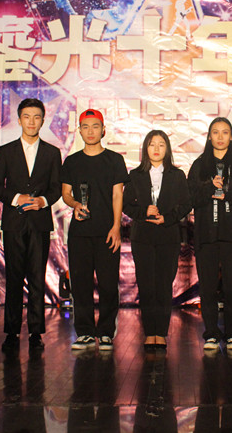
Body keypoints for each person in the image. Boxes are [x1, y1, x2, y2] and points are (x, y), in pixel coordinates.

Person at [0, 98, 62, 353]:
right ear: (19, 120)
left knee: (37, 279)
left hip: (39, 223)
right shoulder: (6, 151)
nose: (31, 122)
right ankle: (11, 332)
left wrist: (42, 201)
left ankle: (35, 332)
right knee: (14, 278)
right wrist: (16, 198)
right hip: (14, 223)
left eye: (36, 117)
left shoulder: (52, 153)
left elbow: (56, 189)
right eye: (27, 117)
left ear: (43, 121)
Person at [188, 117, 232, 352]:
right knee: (207, 288)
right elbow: (189, 197)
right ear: (209, 137)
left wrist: (229, 193)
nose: (220, 137)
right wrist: (209, 188)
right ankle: (210, 333)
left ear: (231, 137)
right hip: (206, 235)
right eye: (215, 132)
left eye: (225, 132)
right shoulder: (199, 165)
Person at [61, 109, 128, 352]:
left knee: (109, 284)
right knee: (80, 285)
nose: (90, 131)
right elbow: (66, 193)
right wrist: (75, 204)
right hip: (79, 233)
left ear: (103, 130)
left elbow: (118, 195)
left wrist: (116, 227)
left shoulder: (114, 160)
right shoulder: (72, 161)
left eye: (95, 126)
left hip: (107, 231)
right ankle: (85, 332)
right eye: (86, 127)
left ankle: (106, 332)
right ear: (79, 131)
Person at [123, 130, 191, 349]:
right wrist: (143, 212)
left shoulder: (177, 175)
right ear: (145, 148)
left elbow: (186, 204)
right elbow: (126, 204)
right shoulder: (135, 175)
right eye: (152, 144)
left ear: (167, 149)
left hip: (167, 236)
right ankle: (149, 332)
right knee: (146, 286)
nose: (156, 149)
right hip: (142, 237)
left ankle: (160, 332)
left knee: (163, 285)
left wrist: (167, 218)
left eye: (161, 145)